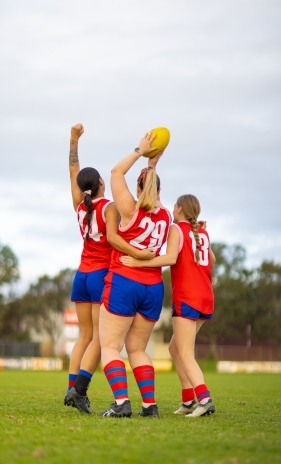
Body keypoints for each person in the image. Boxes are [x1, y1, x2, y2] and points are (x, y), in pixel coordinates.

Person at [64, 124, 156, 414]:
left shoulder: (80, 205)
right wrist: (150, 161)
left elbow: (73, 171)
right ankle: (79, 390)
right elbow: (120, 232)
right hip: (103, 275)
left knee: (84, 337)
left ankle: (71, 389)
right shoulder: (110, 208)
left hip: (81, 275)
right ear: (102, 182)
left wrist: (73, 141)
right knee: (102, 340)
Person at [120, 194, 216, 418]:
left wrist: (139, 261)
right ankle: (188, 399)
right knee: (175, 349)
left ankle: (204, 399)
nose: (171, 209)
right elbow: (211, 260)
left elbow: (170, 258)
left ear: (180, 209)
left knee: (184, 353)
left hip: (188, 296)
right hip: (205, 297)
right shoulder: (202, 232)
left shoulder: (176, 229)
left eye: (174, 206)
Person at [98, 132, 172, 418]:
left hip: (125, 281)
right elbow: (151, 186)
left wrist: (139, 151)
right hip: (153, 286)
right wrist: (154, 163)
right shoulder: (166, 215)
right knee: (138, 350)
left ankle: (121, 403)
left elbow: (116, 171)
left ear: (138, 187)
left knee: (111, 347)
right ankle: (149, 406)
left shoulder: (129, 209)